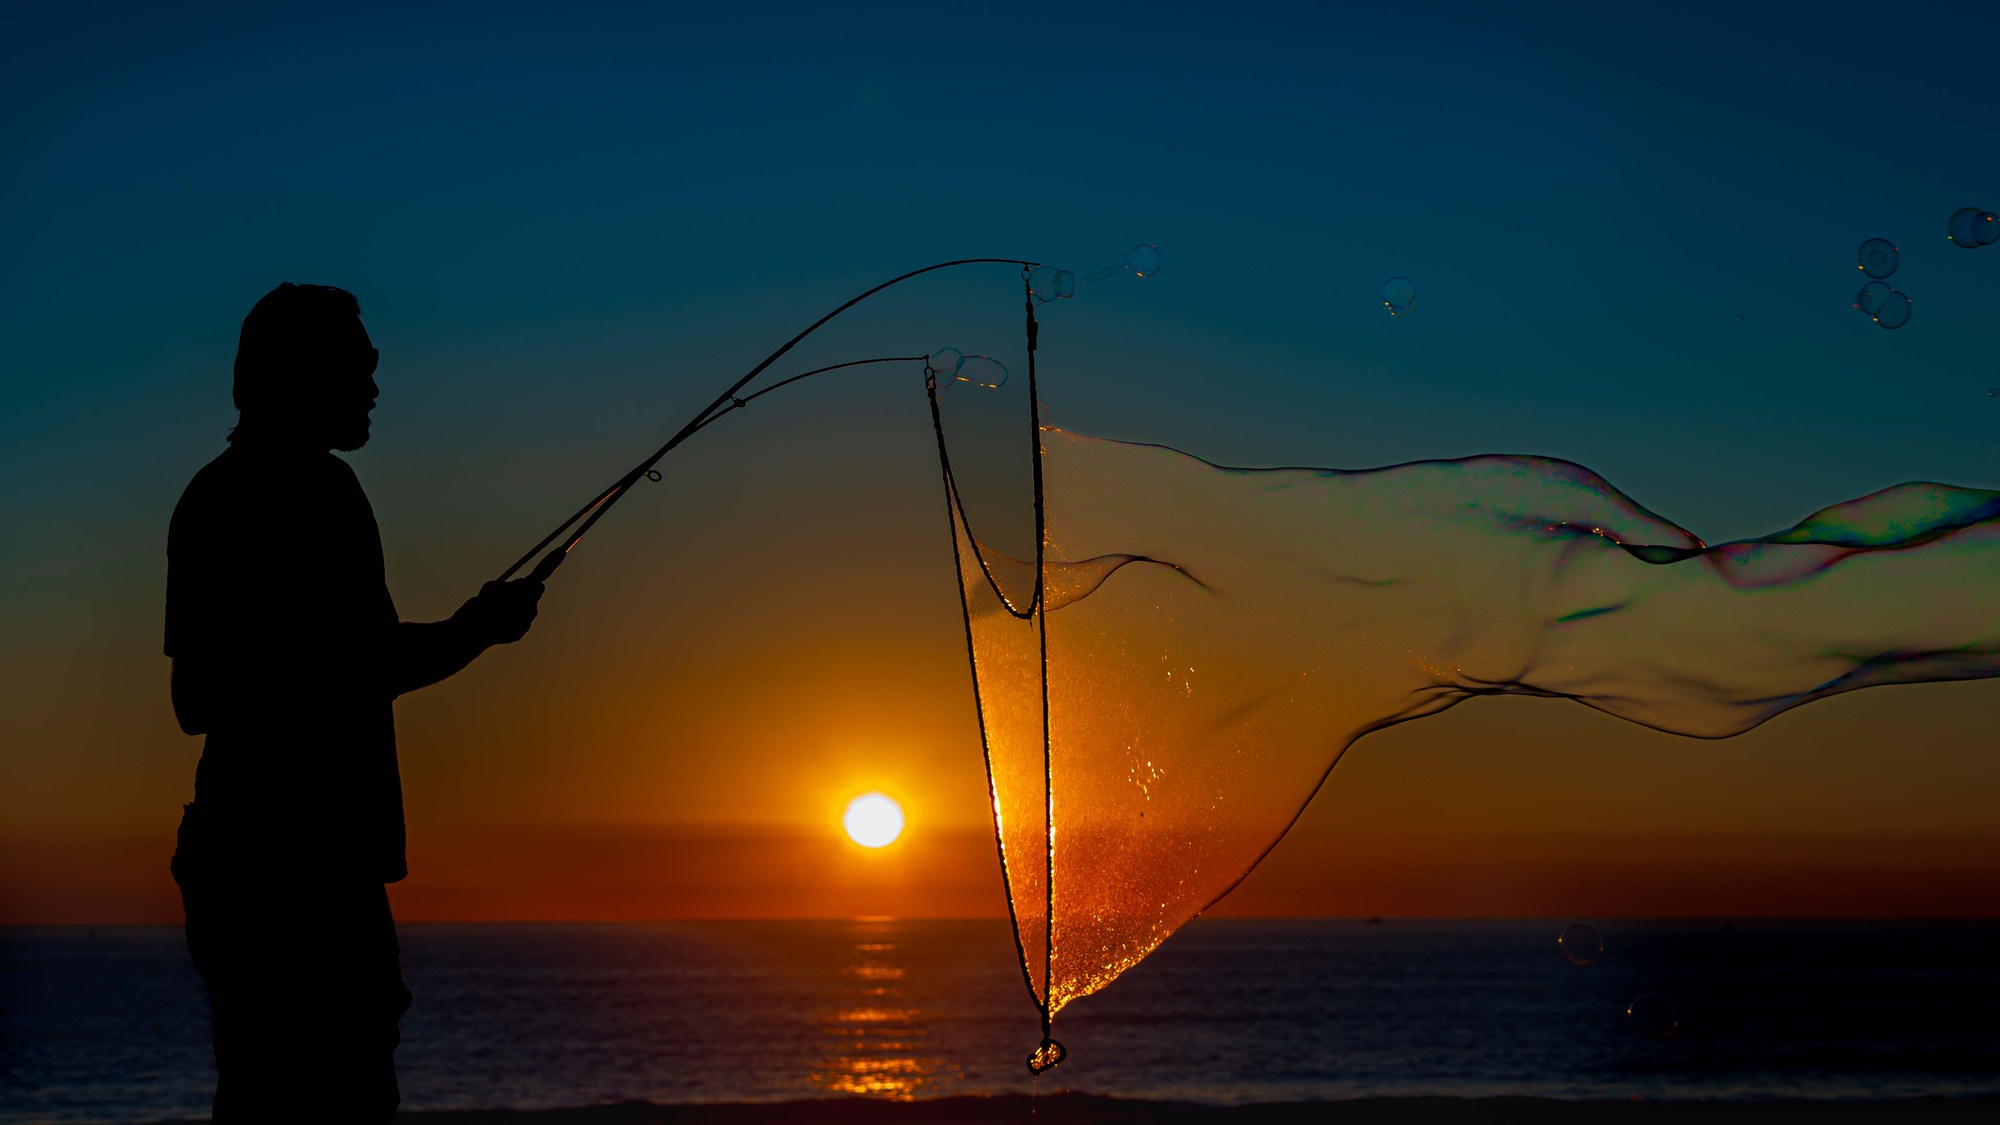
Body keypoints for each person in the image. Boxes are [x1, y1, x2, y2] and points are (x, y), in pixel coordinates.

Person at [165, 283, 544, 1121]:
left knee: (265, 1090)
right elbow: (346, 667)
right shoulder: (319, 494)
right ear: (303, 375)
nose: (375, 387)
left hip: (243, 860)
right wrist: (474, 630)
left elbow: (201, 693)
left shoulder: (211, 493)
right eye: (358, 368)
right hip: (301, 872)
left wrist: (460, 631)